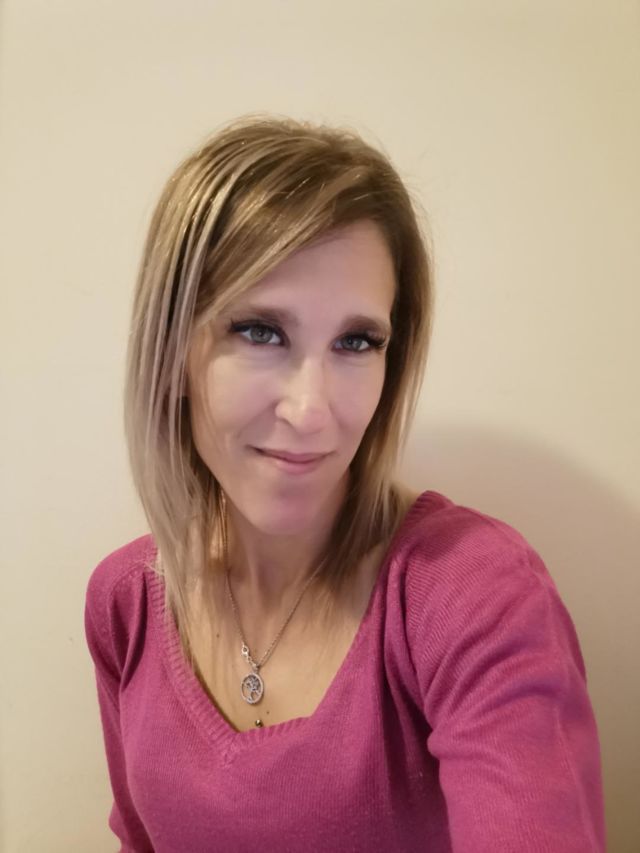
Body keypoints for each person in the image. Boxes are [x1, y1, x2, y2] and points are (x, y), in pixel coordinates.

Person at [84, 114, 606, 852]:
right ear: (172, 353)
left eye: (356, 341)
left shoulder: (473, 593)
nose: (311, 411)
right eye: (261, 331)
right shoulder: (125, 602)